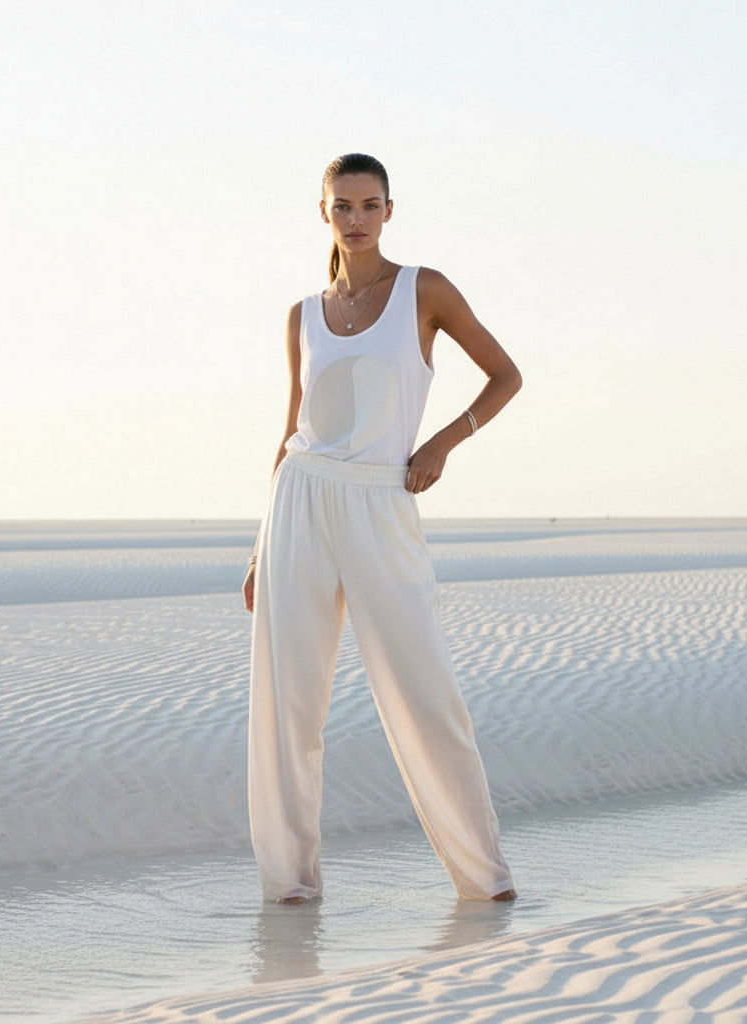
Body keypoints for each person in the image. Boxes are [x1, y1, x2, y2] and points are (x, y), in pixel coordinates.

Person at [243, 153, 521, 905]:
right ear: (324, 212)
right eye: (343, 206)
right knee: (286, 704)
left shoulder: (423, 290)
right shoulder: (302, 314)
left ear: (390, 211)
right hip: (298, 502)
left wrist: (441, 443)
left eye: (370, 206)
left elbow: (506, 375)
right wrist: (259, 549)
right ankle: (290, 887)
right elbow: (294, 425)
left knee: (423, 691)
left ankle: (484, 879)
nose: (357, 219)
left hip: (381, 500)